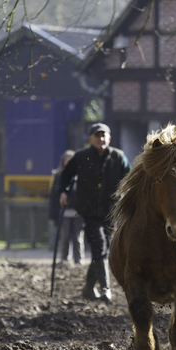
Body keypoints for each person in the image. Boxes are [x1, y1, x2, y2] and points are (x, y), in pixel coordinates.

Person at [58, 123, 131, 302]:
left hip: (111, 211)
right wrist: (63, 191)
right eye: (97, 136)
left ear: (110, 138)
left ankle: (89, 288)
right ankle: (105, 288)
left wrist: (128, 196)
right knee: (99, 246)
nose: (101, 139)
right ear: (90, 139)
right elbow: (65, 175)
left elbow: (129, 178)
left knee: (103, 250)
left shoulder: (118, 156)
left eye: (104, 135)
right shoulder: (81, 157)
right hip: (89, 211)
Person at [50, 150, 85, 265]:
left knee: (77, 237)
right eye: (67, 161)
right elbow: (54, 197)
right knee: (65, 237)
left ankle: (78, 259)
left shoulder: (80, 176)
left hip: (78, 212)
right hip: (64, 212)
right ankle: (64, 259)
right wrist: (53, 214)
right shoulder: (59, 176)